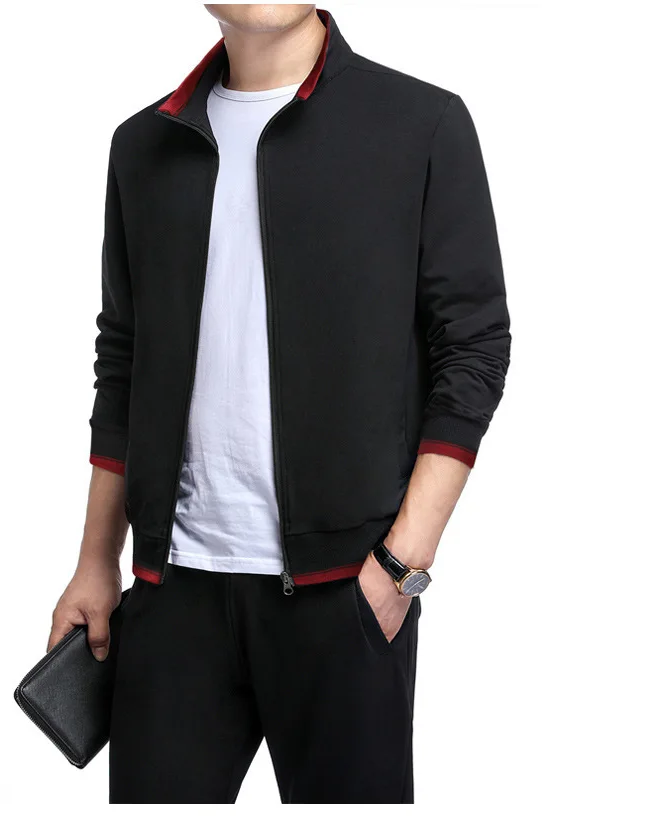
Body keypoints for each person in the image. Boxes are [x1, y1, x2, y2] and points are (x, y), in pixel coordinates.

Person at [47, 5, 510, 804]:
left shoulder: (420, 124)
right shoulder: (143, 146)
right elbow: (123, 360)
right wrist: (96, 561)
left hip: (347, 592)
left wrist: (401, 565)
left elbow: (473, 345)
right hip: (172, 593)